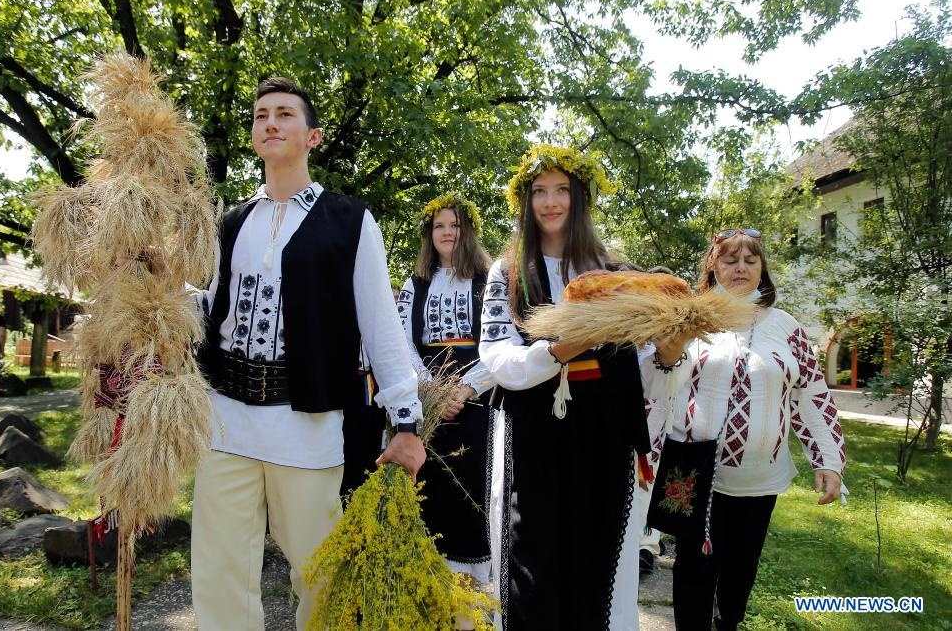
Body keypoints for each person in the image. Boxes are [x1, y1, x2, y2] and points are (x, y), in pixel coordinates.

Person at [190, 77, 426, 631]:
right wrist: (147, 290)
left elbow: (380, 322)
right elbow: (211, 307)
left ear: (312, 136)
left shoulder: (349, 220)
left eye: (284, 114)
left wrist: (406, 421)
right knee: (220, 572)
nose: (270, 122)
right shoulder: (230, 221)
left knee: (319, 573)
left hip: (306, 423)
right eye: (261, 115)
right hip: (224, 421)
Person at [480, 144, 661, 631]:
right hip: (534, 430)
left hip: (603, 431)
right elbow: (498, 358)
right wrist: (561, 350)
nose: (550, 202)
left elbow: (642, 360)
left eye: (561, 190)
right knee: (532, 561)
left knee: (594, 558)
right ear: (525, 201)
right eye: (539, 191)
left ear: (580, 198)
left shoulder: (614, 271)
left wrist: (671, 344)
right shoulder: (508, 272)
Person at [649, 228, 847, 631]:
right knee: (694, 573)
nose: (740, 267)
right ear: (713, 267)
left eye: (750, 260)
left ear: (762, 268)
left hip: (759, 479)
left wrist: (827, 460)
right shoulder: (689, 318)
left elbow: (810, 395)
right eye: (730, 260)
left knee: (739, 577)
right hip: (696, 474)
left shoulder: (786, 327)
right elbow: (658, 381)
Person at [395, 192, 495, 594]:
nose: (448, 232)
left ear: (468, 231)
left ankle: (470, 595)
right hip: (428, 401)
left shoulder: (489, 281)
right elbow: (402, 343)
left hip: (477, 401)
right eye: (440, 226)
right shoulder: (415, 284)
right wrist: (430, 387)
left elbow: (498, 342)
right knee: (431, 491)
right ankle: (430, 590)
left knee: (471, 493)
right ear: (430, 234)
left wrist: (465, 388)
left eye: (455, 225)